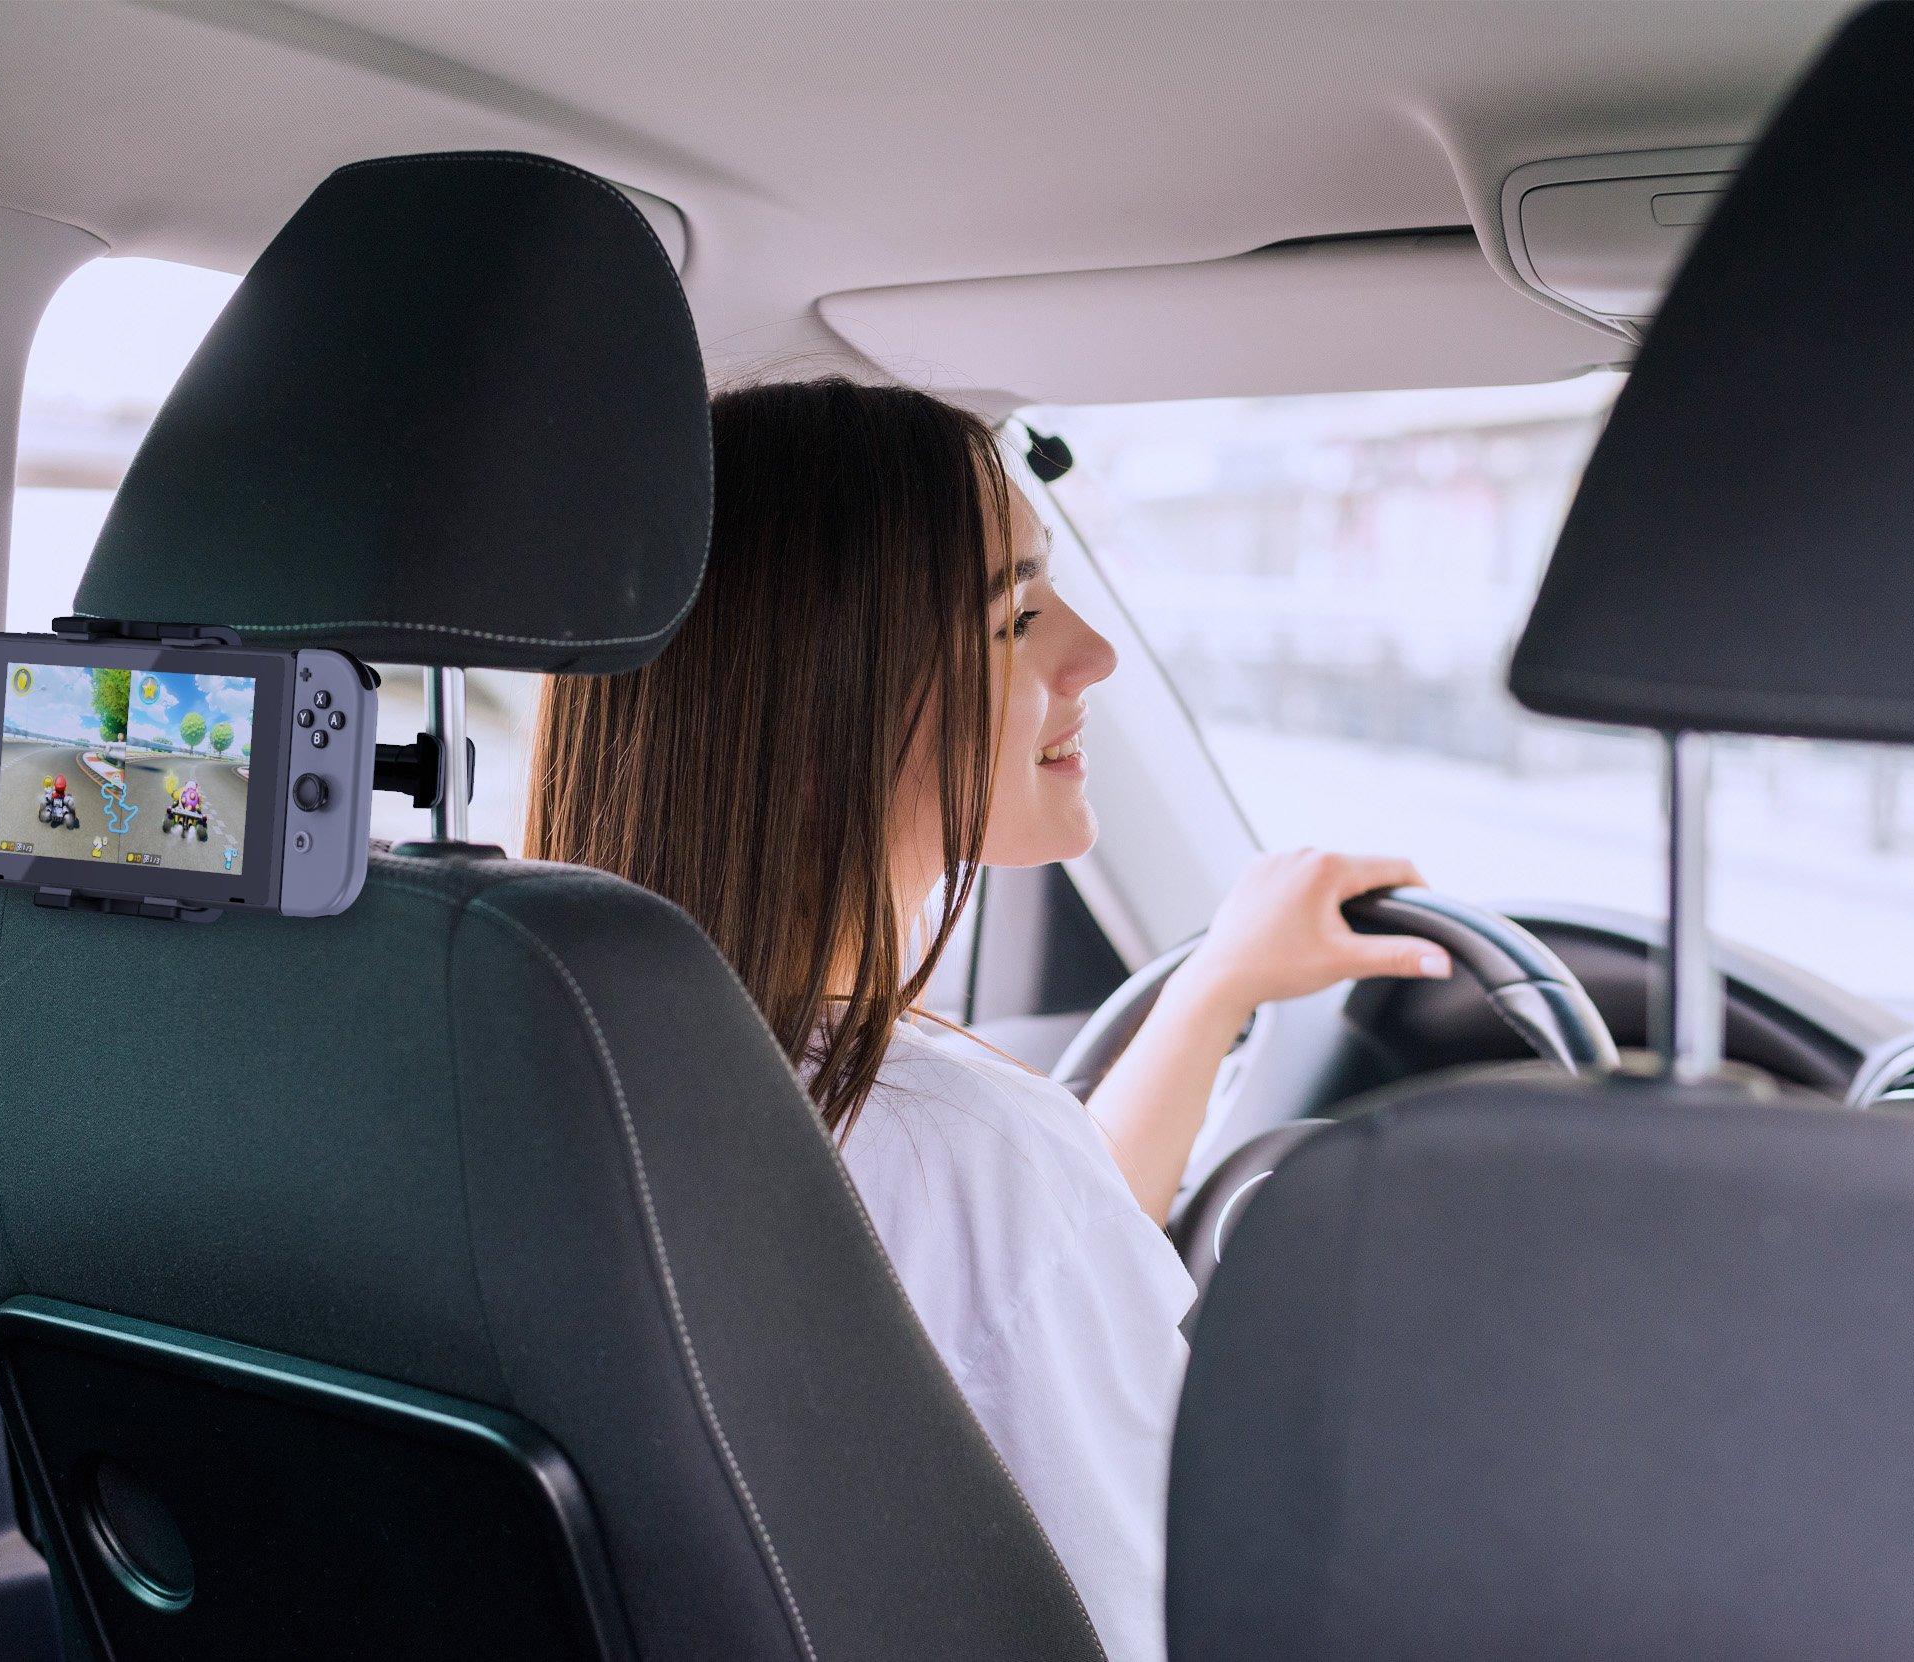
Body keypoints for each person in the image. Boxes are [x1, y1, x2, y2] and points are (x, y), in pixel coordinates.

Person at [525, 376, 1446, 1662]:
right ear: (828, 695)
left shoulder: (557, 1069)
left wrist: (1211, 994)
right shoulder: (956, 1148)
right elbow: (1167, 1625)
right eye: (1017, 616)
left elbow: (972, 1289)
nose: (1095, 652)